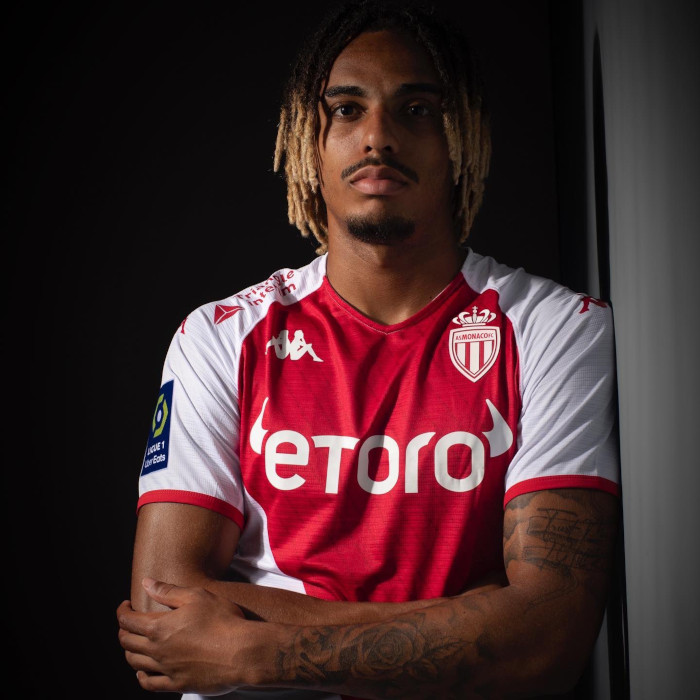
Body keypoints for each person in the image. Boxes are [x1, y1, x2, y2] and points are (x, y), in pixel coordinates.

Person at [117, 1, 621, 698]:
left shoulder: (556, 329)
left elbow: (547, 640)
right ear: (307, 139)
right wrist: (475, 616)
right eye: (347, 110)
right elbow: (160, 607)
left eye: (416, 110)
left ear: (462, 136)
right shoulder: (220, 335)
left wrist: (261, 653)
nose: (378, 137)